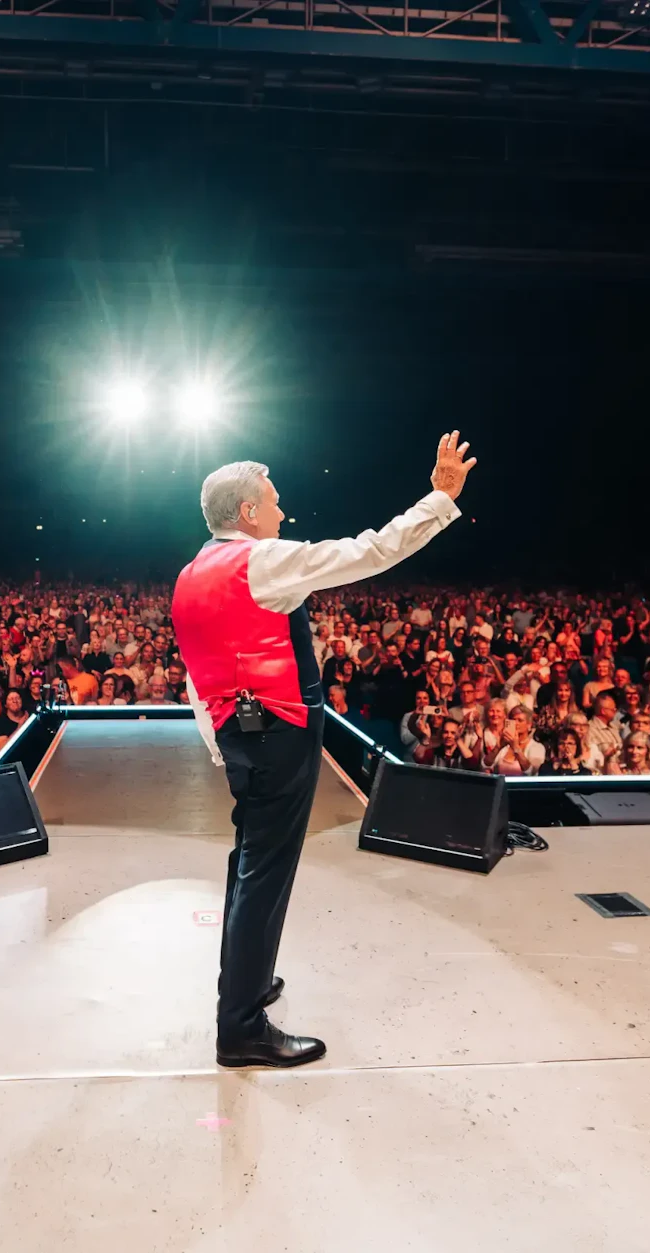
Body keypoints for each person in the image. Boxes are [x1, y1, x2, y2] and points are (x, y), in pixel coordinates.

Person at [173, 432, 474, 1069]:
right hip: (278, 736)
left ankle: (245, 984)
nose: (283, 514)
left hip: (242, 738)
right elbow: (368, 553)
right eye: (275, 504)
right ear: (249, 513)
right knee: (266, 872)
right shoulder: (262, 561)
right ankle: (242, 1027)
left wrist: (225, 750)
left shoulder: (191, 574)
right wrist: (439, 499)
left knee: (249, 863)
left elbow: (201, 682)